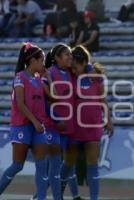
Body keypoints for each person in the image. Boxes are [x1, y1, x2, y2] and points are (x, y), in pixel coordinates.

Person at [61, 45, 113, 200]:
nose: (74, 69)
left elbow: (103, 101)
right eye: (72, 66)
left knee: (93, 165)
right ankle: (59, 195)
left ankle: (94, 198)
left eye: (76, 66)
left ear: (84, 63)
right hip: (74, 129)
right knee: (68, 165)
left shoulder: (95, 78)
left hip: (93, 127)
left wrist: (108, 120)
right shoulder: (69, 75)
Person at [0, 43, 48, 200]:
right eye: (41, 61)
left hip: (38, 126)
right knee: (17, 166)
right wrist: (34, 122)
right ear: (33, 61)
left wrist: (48, 78)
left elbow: (53, 97)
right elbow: (20, 104)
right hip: (23, 125)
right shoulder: (20, 77)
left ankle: (40, 198)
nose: (43, 64)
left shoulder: (39, 79)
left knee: (42, 165)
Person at [45, 44, 84, 200]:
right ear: (57, 58)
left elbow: (86, 65)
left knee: (69, 164)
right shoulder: (50, 73)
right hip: (54, 127)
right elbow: (46, 102)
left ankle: (74, 196)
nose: (70, 57)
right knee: (53, 167)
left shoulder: (70, 73)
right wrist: (56, 119)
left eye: (70, 54)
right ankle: (38, 196)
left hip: (69, 127)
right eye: (66, 54)